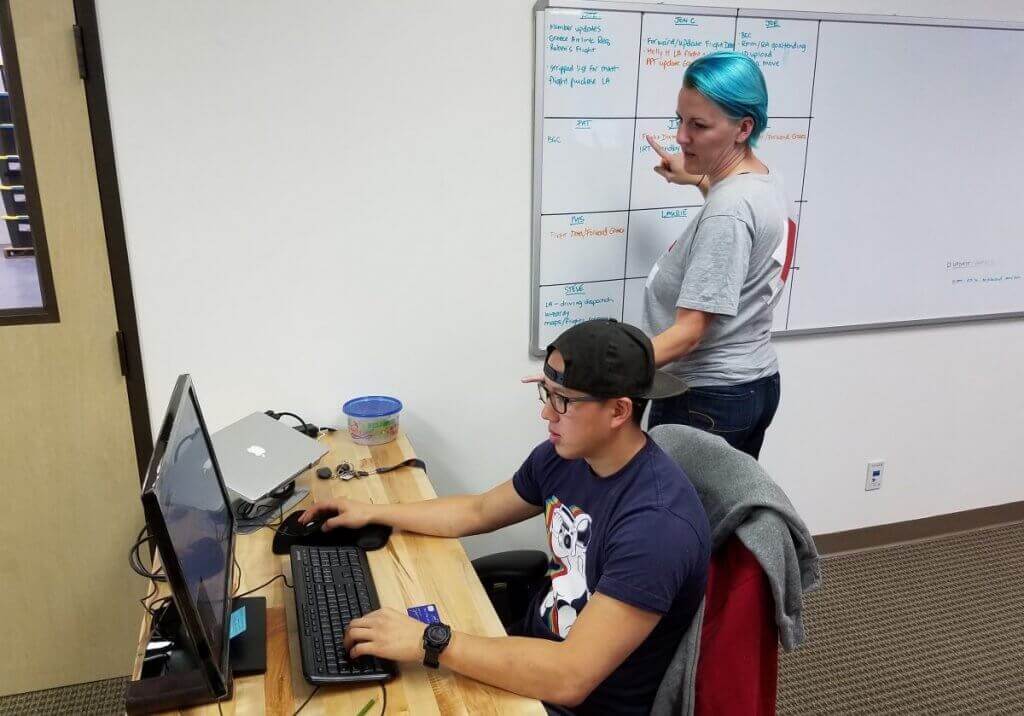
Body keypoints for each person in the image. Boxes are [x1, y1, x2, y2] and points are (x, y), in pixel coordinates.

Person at [300, 319, 710, 715]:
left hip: (571, 701)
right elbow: (477, 510)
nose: (547, 415)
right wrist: (373, 512)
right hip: (530, 651)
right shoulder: (563, 457)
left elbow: (572, 677)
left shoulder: (657, 526)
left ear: (619, 411)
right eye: (545, 393)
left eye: (562, 400)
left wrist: (431, 641)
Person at [643, 51, 791, 459]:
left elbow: (689, 333)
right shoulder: (762, 180)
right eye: (680, 120)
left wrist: (601, 373)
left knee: (680, 522)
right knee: (724, 514)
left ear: (744, 127)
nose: (681, 137)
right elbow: (731, 211)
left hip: (704, 398)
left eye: (699, 126)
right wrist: (694, 176)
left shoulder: (729, 212)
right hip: (753, 383)